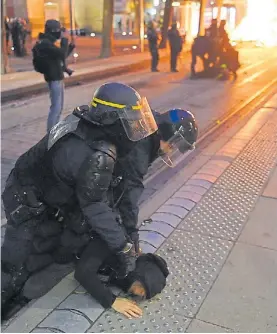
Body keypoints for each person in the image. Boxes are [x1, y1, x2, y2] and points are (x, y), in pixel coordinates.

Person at [1, 82, 158, 318]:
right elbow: (95, 205)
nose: (133, 129)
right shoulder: (98, 156)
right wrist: (122, 247)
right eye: (128, 122)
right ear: (111, 120)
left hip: (37, 192)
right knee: (11, 264)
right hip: (25, 200)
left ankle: (20, 288)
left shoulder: (84, 123)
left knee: (46, 246)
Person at [112, 108, 198, 252]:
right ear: (167, 134)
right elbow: (129, 196)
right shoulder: (141, 150)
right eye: (171, 145)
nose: (170, 151)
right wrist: (131, 236)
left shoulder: (151, 123)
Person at [74, 236, 169, 318]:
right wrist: (111, 300)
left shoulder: (123, 262)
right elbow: (83, 272)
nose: (137, 294)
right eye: (141, 291)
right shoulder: (110, 242)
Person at [32, 19, 75, 132]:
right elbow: (60, 53)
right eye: (59, 31)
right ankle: (51, 133)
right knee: (56, 108)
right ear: (53, 30)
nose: (60, 33)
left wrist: (70, 47)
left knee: (59, 107)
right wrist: (65, 39)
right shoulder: (45, 43)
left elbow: (60, 56)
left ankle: (54, 129)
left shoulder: (48, 43)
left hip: (57, 77)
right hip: (54, 78)